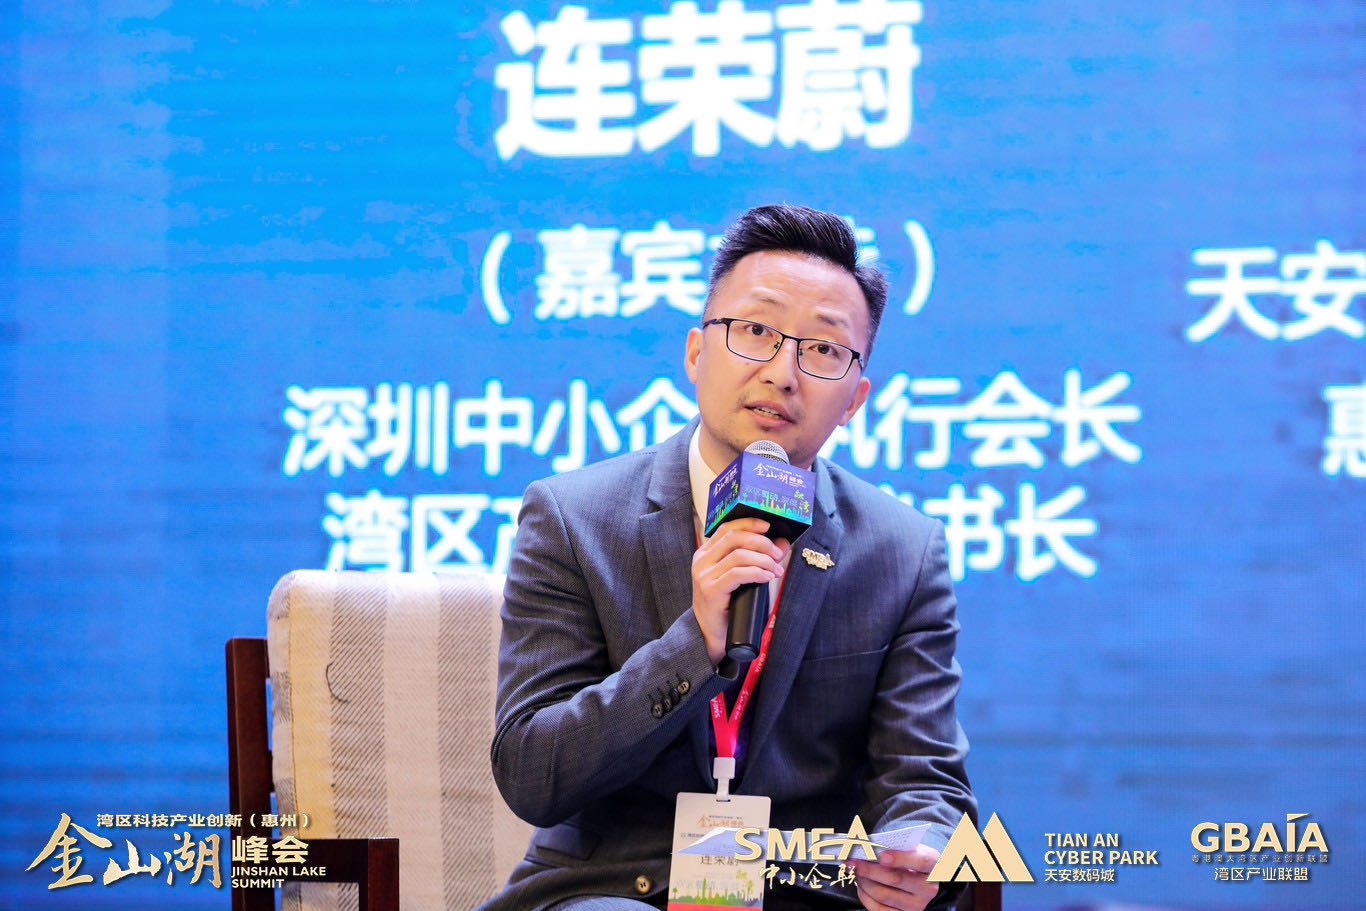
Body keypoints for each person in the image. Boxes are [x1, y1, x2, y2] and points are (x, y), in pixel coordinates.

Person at [479, 204, 975, 911]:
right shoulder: (574, 518)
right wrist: (694, 645)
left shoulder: (904, 550)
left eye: (824, 349)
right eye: (756, 331)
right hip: (619, 892)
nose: (782, 372)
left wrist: (917, 848)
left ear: (855, 399)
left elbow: (924, 780)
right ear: (695, 352)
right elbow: (533, 774)